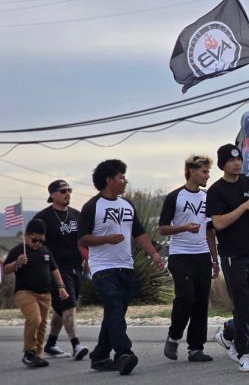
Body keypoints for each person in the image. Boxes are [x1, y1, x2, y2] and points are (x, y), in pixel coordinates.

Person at [79, 159, 165, 375]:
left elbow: (140, 233)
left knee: (114, 313)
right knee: (115, 307)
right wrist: (106, 239)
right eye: (121, 177)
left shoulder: (127, 205)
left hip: (126, 266)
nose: (125, 181)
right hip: (102, 268)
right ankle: (123, 353)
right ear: (109, 180)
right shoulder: (92, 206)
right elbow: (83, 239)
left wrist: (153, 254)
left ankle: (99, 356)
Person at [206, 144, 249, 373]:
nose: (237, 163)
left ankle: (228, 332)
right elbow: (218, 223)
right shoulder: (216, 191)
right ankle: (244, 353)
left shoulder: (248, 183)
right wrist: (244, 206)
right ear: (222, 164)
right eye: (231, 160)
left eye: (239, 159)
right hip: (233, 255)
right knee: (242, 306)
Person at [159, 155, 219, 362]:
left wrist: (215, 259)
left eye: (208, 172)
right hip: (180, 255)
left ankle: (196, 348)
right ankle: (174, 336)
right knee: (186, 298)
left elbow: (210, 231)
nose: (207, 176)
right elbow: (162, 229)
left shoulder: (207, 197)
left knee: (201, 303)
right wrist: (184, 227)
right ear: (192, 171)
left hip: (202, 255)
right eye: (204, 172)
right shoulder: (175, 197)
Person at [34, 179, 89, 360]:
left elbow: (83, 240)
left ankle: (50, 344)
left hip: (76, 267)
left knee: (60, 309)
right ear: (52, 195)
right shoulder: (43, 218)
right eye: (62, 190)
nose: (67, 193)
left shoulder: (76, 215)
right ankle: (76, 345)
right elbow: (35, 243)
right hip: (56, 269)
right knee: (69, 305)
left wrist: (87, 261)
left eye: (69, 190)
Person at [4, 219, 70, 368]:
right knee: (34, 319)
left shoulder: (45, 251)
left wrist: (61, 286)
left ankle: (37, 354)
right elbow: (6, 269)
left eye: (41, 240)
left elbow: (54, 269)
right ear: (26, 236)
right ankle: (29, 353)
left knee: (42, 324)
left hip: (45, 294)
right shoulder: (18, 250)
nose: (38, 244)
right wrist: (17, 263)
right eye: (34, 240)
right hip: (25, 292)